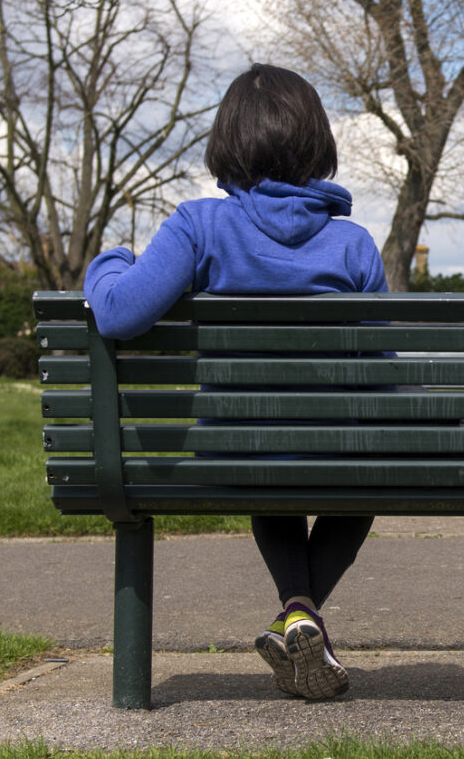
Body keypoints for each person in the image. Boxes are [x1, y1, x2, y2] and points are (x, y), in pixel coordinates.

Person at [84, 64, 386, 700]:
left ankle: (299, 613)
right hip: (341, 454)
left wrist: (111, 259)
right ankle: (301, 616)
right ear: (316, 143)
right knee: (360, 490)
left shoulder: (199, 225)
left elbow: (117, 312)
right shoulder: (354, 244)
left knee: (267, 473)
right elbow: (380, 363)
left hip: (236, 449)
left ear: (228, 141)